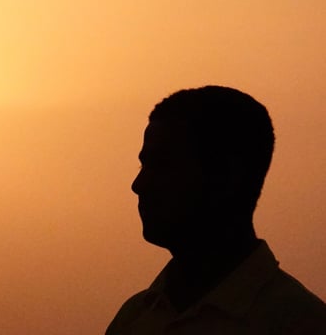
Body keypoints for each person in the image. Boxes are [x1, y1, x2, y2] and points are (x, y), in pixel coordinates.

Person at [106, 86, 326, 334]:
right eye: (143, 166)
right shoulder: (134, 318)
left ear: (226, 177)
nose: (139, 185)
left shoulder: (300, 323)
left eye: (163, 166)